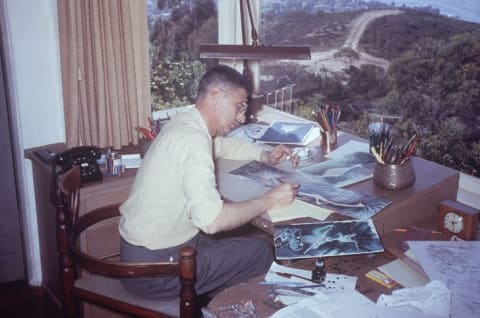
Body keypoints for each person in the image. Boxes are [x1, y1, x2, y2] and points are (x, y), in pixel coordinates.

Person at [119, 64, 299, 300]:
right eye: (239, 106)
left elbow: (221, 145)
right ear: (216, 96)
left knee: (240, 244)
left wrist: (263, 155)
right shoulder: (192, 139)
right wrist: (269, 200)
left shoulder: (185, 121)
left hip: (142, 252)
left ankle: (209, 302)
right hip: (155, 270)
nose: (242, 117)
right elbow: (212, 221)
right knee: (260, 251)